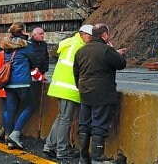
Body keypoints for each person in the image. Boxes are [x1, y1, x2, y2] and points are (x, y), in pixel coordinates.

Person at [73, 24, 127, 164]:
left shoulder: (81, 51)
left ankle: (83, 158)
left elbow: (76, 73)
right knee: (99, 125)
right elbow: (121, 64)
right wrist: (114, 51)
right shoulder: (107, 50)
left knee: (84, 125)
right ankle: (97, 159)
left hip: (85, 92)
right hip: (102, 93)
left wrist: (81, 88)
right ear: (104, 35)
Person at [43, 24, 93, 160]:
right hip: (69, 88)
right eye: (89, 37)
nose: (90, 39)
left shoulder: (70, 43)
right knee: (65, 119)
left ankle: (49, 145)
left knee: (61, 118)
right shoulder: (79, 47)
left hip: (60, 87)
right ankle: (62, 150)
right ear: (82, 34)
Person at [0, 22, 40, 150]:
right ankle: (16, 133)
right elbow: (34, 61)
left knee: (10, 110)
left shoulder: (6, 46)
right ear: (23, 31)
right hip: (22, 82)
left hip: (8, 82)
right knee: (29, 106)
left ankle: (9, 138)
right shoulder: (26, 46)